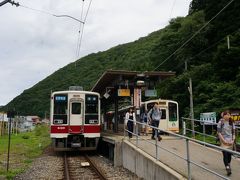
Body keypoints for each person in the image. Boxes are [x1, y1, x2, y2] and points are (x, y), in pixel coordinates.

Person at [217, 111, 236, 176]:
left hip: (230, 140)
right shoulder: (220, 122)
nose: (228, 116)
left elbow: (233, 132)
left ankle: (228, 164)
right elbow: (219, 132)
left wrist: (233, 140)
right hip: (223, 140)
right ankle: (227, 168)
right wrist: (223, 140)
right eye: (226, 115)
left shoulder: (232, 122)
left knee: (229, 155)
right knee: (225, 154)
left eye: (229, 115)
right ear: (223, 115)